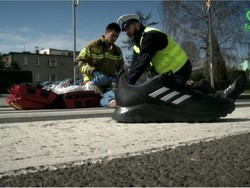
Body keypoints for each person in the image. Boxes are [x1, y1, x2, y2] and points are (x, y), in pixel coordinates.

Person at [117, 13, 246, 101]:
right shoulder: (137, 46)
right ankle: (204, 87)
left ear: (137, 25)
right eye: (124, 30)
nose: (126, 32)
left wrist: (127, 84)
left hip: (180, 68)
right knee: (169, 94)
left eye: (128, 27)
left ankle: (221, 97)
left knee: (179, 97)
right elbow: (134, 67)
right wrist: (125, 86)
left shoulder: (150, 36)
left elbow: (142, 62)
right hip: (168, 74)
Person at [75, 22, 124, 108]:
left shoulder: (117, 51)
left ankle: (111, 100)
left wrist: (118, 79)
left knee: (116, 94)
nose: (114, 38)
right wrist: (94, 72)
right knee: (98, 96)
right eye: (113, 35)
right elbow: (78, 63)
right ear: (106, 33)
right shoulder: (92, 46)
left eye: (117, 37)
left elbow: (121, 69)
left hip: (109, 82)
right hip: (92, 82)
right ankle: (110, 101)